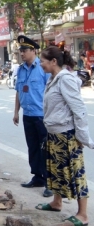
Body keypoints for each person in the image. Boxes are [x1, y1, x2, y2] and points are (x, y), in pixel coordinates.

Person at [36, 45, 94, 226]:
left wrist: (82, 137)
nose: (41, 65)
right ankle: (57, 202)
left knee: (76, 174)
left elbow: (79, 110)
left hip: (67, 135)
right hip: (54, 134)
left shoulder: (66, 80)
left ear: (53, 61)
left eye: (42, 61)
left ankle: (83, 215)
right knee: (54, 171)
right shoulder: (53, 78)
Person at [12, 36, 52, 197]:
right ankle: (38, 177)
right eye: (20, 50)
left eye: (24, 50)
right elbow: (18, 92)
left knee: (46, 149)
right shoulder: (21, 69)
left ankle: (50, 181)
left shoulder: (43, 68)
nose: (22, 53)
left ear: (33, 51)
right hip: (28, 115)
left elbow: (51, 91)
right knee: (33, 147)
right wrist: (16, 112)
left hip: (42, 115)